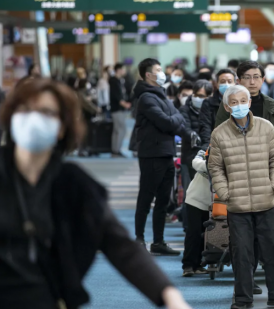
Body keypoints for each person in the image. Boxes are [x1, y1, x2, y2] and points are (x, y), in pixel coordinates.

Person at [0, 78, 191, 309]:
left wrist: (169, 295)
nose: (34, 119)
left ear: (62, 127)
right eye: (26, 110)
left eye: (46, 112)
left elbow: (120, 245)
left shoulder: (73, 184)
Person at [214, 61, 274, 294]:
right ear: (239, 80)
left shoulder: (271, 106)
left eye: (257, 77)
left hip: (266, 178)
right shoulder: (228, 105)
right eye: (247, 77)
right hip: (237, 179)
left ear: (263, 80)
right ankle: (246, 283)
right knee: (242, 240)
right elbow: (218, 142)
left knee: (269, 236)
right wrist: (224, 189)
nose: (252, 81)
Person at [208, 85, 274, 309]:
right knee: (242, 254)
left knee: (272, 251)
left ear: (250, 102)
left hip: (266, 201)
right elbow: (215, 168)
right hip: (237, 206)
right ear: (226, 107)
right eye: (233, 102)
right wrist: (225, 193)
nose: (239, 106)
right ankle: (243, 299)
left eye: (242, 101)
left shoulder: (265, 127)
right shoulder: (219, 133)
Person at [132, 58, 186, 255]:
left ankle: (158, 241)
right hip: (152, 154)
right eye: (158, 70)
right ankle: (139, 239)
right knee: (146, 198)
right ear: (148, 75)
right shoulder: (147, 98)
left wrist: (176, 119)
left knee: (163, 199)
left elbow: (177, 119)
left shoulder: (161, 95)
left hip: (166, 152)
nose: (162, 73)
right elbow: (168, 123)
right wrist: (176, 118)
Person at [181, 149, 213, 277]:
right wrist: (212, 165)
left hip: (212, 204)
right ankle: (188, 265)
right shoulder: (205, 152)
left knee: (204, 236)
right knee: (193, 233)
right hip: (195, 200)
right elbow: (196, 163)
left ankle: (198, 264)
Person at [179, 80, 213, 200]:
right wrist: (192, 135)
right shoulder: (185, 109)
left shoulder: (212, 109)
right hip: (190, 154)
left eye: (203, 96)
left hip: (208, 155)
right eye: (197, 95)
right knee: (190, 195)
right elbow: (184, 127)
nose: (199, 98)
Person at [199, 69, 236, 147]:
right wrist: (209, 145)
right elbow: (205, 126)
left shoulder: (241, 103)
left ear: (235, 83)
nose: (226, 84)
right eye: (222, 82)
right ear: (216, 84)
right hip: (215, 145)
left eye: (230, 81)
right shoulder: (208, 103)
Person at [109, 63, 131, 157]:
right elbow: (116, 95)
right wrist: (124, 104)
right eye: (123, 69)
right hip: (117, 108)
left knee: (117, 129)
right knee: (121, 129)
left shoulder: (119, 80)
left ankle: (115, 150)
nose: (124, 71)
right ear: (118, 70)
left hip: (118, 108)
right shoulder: (114, 81)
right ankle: (116, 150)